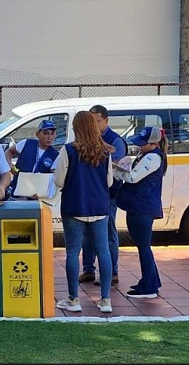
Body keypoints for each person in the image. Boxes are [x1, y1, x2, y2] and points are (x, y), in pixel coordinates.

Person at [53, 110, 113, 313]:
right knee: (103, 252)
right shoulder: (105, 151)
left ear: (76, 128)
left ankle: (73, 299)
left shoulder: (68, 150)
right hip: (99, 208)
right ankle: (105, 300)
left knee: (72, 252)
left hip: (74, 206)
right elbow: (109, 181)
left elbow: (59, 180)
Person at [114, 126, 167, 299]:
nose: (139, 146)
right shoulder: (148, 154)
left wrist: (113, 169)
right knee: (143, 247)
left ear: (153, 143)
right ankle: (150, 281)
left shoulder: (152, 158)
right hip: (139, 207)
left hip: (142, 208)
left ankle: (149, 288)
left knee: (144, 247)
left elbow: (132, 177)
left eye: (142, 144)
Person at [79, 105, 128, 286]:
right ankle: (88, 270)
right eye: (90, 121)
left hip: (108, 195)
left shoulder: (115, 141)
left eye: (96, 121)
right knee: (87, 234)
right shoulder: (85, 139)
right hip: (89, 195)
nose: (93, 124)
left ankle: (112, 273)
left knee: (107, 234)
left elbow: (115, 167)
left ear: (106, 120)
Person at [4, 119, 59, 196]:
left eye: (52, 134)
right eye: (46, 133)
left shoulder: (55, 155)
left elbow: (53, 178)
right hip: (17, 190)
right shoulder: (26, 143)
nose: (49, 137)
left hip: (37, 195)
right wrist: (10, 165)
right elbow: (9, 152)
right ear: (37, 134)